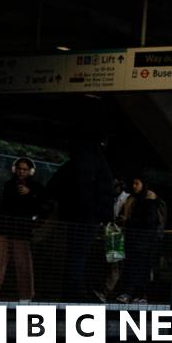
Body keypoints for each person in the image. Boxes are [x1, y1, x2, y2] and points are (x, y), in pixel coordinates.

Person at [47, 126, 115, 302]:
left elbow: (54, 186)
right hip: (88, 217)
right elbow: (100, 191)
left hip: (72, 215)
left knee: (73, 254)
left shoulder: (73, 163)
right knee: (79, 255)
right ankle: (75, 292)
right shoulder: (99, 163)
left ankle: (71, 291)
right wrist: (102, 215)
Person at [0, 158, 43, 302]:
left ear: (30, 171)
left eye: (25, 169)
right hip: (3, 228)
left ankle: (26, 298)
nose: (21, 171)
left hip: (21, 231)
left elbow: (40, 207)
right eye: (19, 168)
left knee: (23, 263)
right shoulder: (8, 185)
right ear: (15, 169)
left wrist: (30, 194)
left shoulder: (37, 188)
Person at [117, 176, 165, 304]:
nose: (134, 186)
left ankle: (135, 293)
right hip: (139, 240)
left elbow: (148, 221)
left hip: (142, 241)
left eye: (137, 183)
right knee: (137, 267)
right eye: (133, 183)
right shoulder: (137, 199)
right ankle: (136, 294)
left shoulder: (149, 201)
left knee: (137, 267)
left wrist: (128, 221)